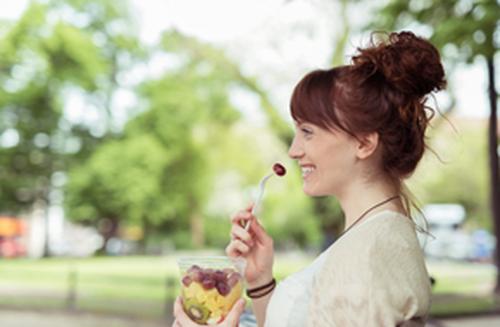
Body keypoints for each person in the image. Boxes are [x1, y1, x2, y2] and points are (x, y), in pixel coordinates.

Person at [173, 30, 446, 327]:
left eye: (308, 132)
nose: (293, 151)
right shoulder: (373, 239)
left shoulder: (367, 257)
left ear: (364, 143)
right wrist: (260, 279)